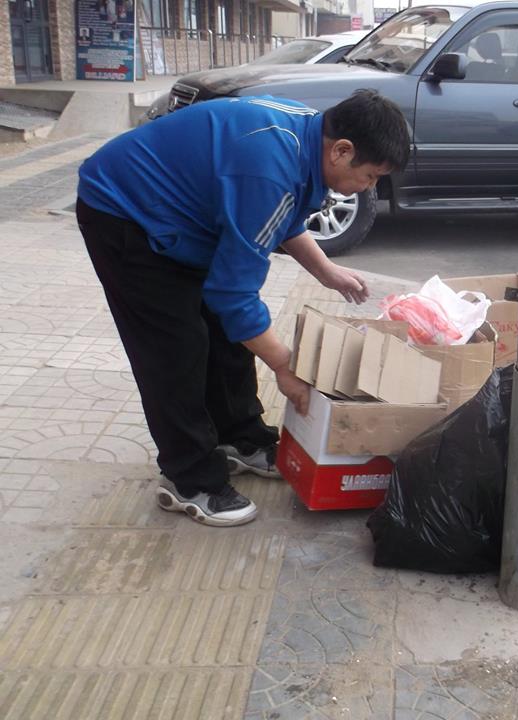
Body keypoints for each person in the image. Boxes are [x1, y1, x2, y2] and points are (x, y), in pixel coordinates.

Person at [76, 90, 410, 527]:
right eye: (369, 176)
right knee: (176, 348)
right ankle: (188, 477)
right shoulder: (269, 166)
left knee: (228, 335)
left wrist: (325, 270)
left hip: (180, 214)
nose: (370, 188)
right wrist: (284, 366)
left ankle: (240, 437)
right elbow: (234, 293)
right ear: (342, 150)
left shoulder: (310, 136)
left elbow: (283, 214)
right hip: (125, 212)